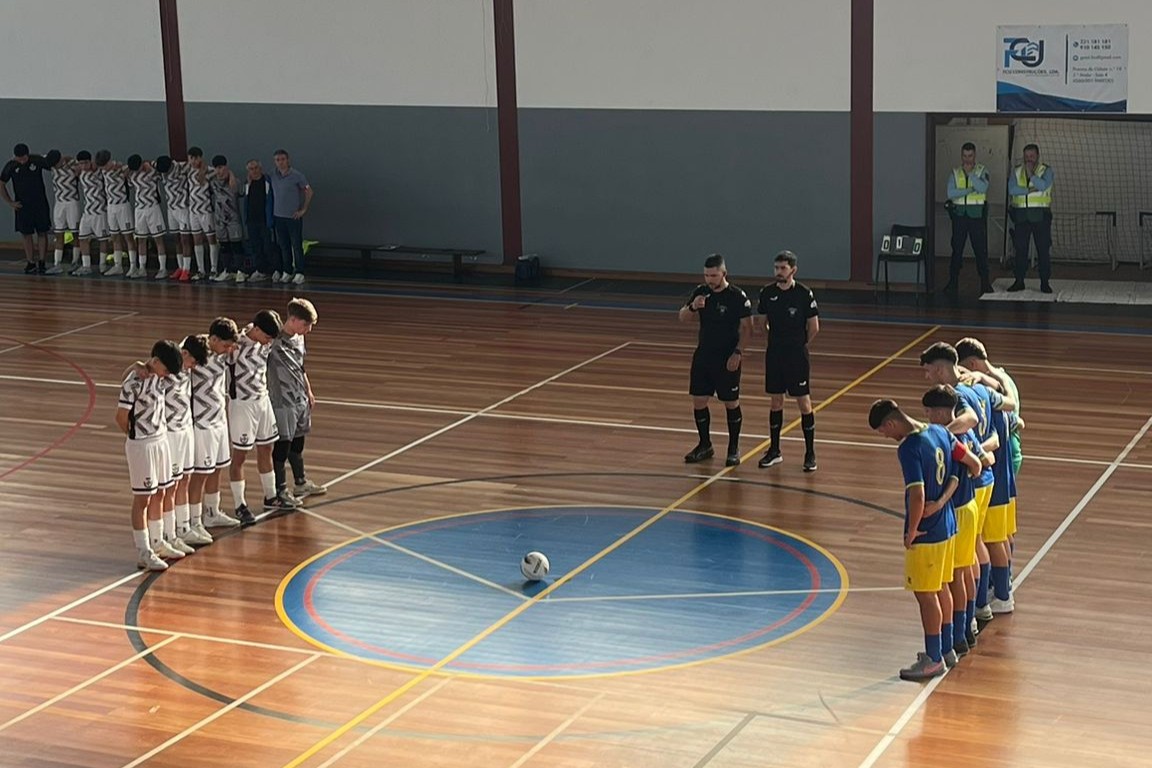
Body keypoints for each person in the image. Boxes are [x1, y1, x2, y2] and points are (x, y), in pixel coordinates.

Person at [868, 399, 981, 681]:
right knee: (941, 587)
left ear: (891, 423)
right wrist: (943, 501)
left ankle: (933, 659)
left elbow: (917, 494)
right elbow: (964, 467)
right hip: (949, 525)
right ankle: (945, 649)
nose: (885, 436)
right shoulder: (940, 431)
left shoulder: (908, 448)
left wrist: (911, 531)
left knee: (925, 595)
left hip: (927, 534)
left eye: (883, 430)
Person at [922, 384, 988, 657]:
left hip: (958, 508)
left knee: (955, 577)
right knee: (965, 568)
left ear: (939, 412)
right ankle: (967, 627)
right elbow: (982, 462)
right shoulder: (967, 431)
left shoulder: (950, 439)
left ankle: (957, 635)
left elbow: (974, 464)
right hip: (969, 505)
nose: (926, 417)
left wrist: (946, 495)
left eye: (928, 412)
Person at [678, 254, 753, 467]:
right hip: (703, 355)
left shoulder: (737, 296)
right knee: (699, 400)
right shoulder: (701, 292)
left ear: (724, 274)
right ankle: (705, 444)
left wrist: (738, 353)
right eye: (706, 275)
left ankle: (733, 448)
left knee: (731, 402)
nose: (710, 279)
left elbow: (748, 329)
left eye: (713, 275)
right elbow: (682, 317)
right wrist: (693, 307)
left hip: (727, 357)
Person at [117, 339, 185, 571]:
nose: (167, 374)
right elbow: (120, 416)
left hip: (161, 440)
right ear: (155, 361)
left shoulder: (159, 376)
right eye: (165, 369)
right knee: (143, 498)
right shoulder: (134, 382)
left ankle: (158, 543)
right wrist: (136, 435)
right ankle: (143, 551)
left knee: (161, 492)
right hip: (142, 445)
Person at [756, 250, 820, 472]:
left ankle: (810, 453)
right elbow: (761, 323)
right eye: (776, 268)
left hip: (796, 356)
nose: (778, 272)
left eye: (783, 268)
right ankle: (775, 450)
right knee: (776, 401)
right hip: (774, 354)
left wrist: (799, 344)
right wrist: (774, 342)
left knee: (804, 402)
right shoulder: (767, 293)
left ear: (793, 270)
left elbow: (814, 327)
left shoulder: (803, 294)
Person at [227, 310, 287, 525]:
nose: (269, 342)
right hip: (242, 405)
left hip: (263, 400)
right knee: (240, 455)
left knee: (266, 447)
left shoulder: (265, 343)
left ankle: (271, 496)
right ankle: (239, 505)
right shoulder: (234, 346)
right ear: (257, 330)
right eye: (267, 337)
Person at [268, 298, 326, 501]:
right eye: (306, 325)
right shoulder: (273, 342)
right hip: (282, 401)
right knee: (283, 444)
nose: (308, 330)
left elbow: (301, 366)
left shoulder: (299, 339)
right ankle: (280, 489)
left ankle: (300, 482)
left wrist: (308, 390)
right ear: (292, 320)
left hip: (300, 397)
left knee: (298, 441)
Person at [160, 334, 212, 550]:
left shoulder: (185, 368)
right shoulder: (167, 369)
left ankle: (183, 528)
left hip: (186, 429)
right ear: (184, 354)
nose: (192, 368)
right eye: (192, 362)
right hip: (170, 433)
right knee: (170, 486)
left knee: (185, 480)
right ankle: (168, 533)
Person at [188, 317, 241, 531]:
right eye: (225, 345)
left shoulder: (221, 355)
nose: (229, 349)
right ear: (214, 339)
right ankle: (193, 521)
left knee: (218, 468)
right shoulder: (195, 352)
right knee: (200, 474)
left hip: (219, 420)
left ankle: (212, 512)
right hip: (201, 424)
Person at [955, 337, 1023, 475]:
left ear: (972, 364)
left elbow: (1014, 416)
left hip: (1006, 452)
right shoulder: (1003, 377)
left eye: (962, 370)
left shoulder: (988, 386)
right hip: (1006, 450)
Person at [943, 142, 992, 296]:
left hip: (976, 216)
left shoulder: (982, 170)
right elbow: (951, 194)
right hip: (959, 217)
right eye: (964, 156)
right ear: (961, 155)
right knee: (956, 250)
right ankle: (953, 282)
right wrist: (970, 189)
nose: (967, 159)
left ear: (975, 155)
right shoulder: (955, 172)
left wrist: (971, 174)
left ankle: (985, 283)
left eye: (970, 156)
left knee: (980, 250)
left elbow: (983, 188)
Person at [1007, 143, 1054, 293]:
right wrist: (1028, 189)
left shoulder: (1046, 170)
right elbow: (1012, 189)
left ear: (1038, 156)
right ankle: (1019, 280)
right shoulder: (1016, 171)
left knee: (1043, 250)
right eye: (1026, 157)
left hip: (1041, 216)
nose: (1029, 160)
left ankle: (1044, 282)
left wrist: (1031, 175)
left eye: (1032, 156)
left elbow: (1043, 186)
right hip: (1021, 217)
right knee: (1020, 250)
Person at [1, 143, 52, 274]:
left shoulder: (37, 160)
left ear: (27, 154)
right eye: (20, 158)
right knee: (26, 234)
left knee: (42, 232)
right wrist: (10, 202)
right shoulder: (11, 165)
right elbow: (1, 183)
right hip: (23, 206)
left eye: (24, 158)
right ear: (15, 157)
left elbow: (54, 163)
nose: (22, 161)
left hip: (40, 204)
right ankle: (30, 262)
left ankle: (42, 261)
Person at [270, 149, 313, 285]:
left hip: (293, 217)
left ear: (288, 160)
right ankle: (287, 271)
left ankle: (300, 272)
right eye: (277, 160)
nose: (280, 162)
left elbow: (309, 191)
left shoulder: (297, 175)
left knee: (296, 245)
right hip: (278, 216)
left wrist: (303, 209)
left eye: (283, 159)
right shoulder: (273, 175)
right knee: (283, 245)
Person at [126, 155, 170, 279]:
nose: (137, 171)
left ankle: (163, 268)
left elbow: (161, 172)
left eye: (138, 168)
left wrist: (150, 164)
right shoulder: (132, 174)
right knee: (141, 239)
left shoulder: (152, 172)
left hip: (153, 207)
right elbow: (128, 182)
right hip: (139, 209)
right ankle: (142, 268)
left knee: (158, 239)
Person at [156, 154, 193, 281]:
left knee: (185, 240)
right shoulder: (160, 167)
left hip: (183, 208)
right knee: (176, 239)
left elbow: (198, 166)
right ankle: (180, 266)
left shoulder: (182, 167)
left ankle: (187, 269)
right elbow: (148, 164)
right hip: (170, 209)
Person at [43, 150, 80, 275]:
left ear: (60, 160)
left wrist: (69, 160)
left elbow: (83, 167)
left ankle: (75, 261)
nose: (54, 167)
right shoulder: (50, 163)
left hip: (72, 202)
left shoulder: (72, 163)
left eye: (56, 164)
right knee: (59, 233)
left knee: (75, 233)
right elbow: (38, 158)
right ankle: (57, 264)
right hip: (59, 202)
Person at [72, 150, 109, 276]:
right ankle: (86, 265)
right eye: (80, 164)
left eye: (85, 163)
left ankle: (102, 265)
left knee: (102, 239)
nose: (83, 166)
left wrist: (94, 164)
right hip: (87, 211)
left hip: (100, 211)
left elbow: (99, 165)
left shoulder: (98, 170)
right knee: (82, 237)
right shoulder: (81, 173)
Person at [210, 155, 245, 282]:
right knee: (224, 246)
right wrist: (212, 173)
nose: (219, 171)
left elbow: (237, 190)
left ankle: (240, 271)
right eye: (216, 168)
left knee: (236, 245)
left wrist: (231, 175)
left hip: (233, 219)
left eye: (221, 167)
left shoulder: (235, 180)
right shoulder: (213, 182)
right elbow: (201, 181)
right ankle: (227, 270)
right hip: (220, 219)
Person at [100, 151, 135, 277]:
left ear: (109, 161)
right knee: (115, 237)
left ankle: (133, 266)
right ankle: (118, 265)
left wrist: (122, 168)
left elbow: (130, 169)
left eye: (105, 165)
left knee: (128, 237)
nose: (103, 168)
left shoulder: (122, 168)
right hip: (111, 206)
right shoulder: (104, 171)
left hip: (122, 205)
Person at [186, 147, 218, 281]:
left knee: (211, 239)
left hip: (206, 210)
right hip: (193, 210)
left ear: (200, 157)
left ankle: (214, 269)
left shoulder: (210, 170)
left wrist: (203, 170)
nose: (193, 161)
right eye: (191, 158)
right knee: (197, 239)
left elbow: (201, 180)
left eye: (196, 158)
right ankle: (201, 269)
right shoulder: (187, 170)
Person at [242, 159, 276, 282]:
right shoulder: (247, 183)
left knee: (267, 246)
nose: (254, 171)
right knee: (255, 246)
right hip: (251, 220)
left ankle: (273, 270)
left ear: (260, 168)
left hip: (265, 220)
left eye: (256, 168)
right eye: (251, 169)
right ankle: (260, 270)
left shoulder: (268, 181)